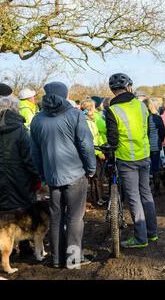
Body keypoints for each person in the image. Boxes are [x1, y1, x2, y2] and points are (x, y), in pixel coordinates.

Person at [30, 82, 96, 268]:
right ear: (65, 95)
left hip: (52, 176)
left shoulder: (37, 119)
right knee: (75, 218)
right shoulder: (74, 115)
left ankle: (58, 259)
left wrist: (43, 175)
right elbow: (85, 145)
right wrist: (91, 168)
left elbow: (34, 153)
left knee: (56, 218)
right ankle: (73, 259)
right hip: (75, 174)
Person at [105, 73, 158, 248]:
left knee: (134, 198)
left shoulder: (112, 110)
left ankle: (140, 238)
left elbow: (113, 139)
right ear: (129, 87)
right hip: (144, 156)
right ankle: (152, 233)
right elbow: (147, 130)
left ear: (113, 91)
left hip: (126, 158)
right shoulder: (141, 105)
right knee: (146, 194)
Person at [0, 96, 41, 256]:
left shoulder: (20, 129)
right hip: (20, 179)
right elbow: (28, 158)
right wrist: (36, 177)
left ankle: (5, 248)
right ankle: (24, 246)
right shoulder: (20, 130)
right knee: (22, 212)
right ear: (15, 109)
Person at [80, 99, 106, 206]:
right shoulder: (88, 121)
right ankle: (99, 199)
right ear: (91, 108)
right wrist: (99, 152)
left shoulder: (86, 118)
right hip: (94, 153)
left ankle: (95, 197)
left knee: (92, 177)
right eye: (93, 107)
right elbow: (91, 139)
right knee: (97, 177)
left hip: (91, 151)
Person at [145, 98, 165, 195]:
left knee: (145, 167)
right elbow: (162, 132)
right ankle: (157, 189)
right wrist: (160, 141)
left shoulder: (143, 119)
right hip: (155, 146)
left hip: (145, 146)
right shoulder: (157, 118)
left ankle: (146, 189)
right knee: (155, 167)